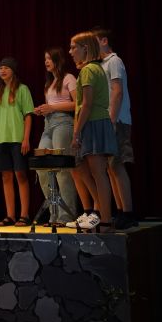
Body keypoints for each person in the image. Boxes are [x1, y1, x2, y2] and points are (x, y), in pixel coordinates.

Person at [68, 32, 118, 232]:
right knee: (87, 170)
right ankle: (101, 214)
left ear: (85, 48)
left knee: (99, 174)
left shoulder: (88, 70)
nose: (71, 52)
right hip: (96, 122)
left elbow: (86, 105)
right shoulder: (95, 69)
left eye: (74, 47)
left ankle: (105, 219)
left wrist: (76, 132)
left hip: (94, 123)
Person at [93, 27, 137, 230]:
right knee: (110, 168)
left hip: (117, 120)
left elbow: (117, 91)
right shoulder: (100, 65)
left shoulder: (114, 61)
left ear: (104, 41)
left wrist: (111, 120)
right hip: (107, 121)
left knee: (117, 166)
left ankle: (128, 212)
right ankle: (120, 210)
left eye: (94, 41)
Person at [33, 48, 79, 225]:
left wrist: (52, 108)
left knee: (62, 169)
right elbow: (52, 105)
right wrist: (43, 109)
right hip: (49, 123)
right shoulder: (50, 83)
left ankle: (66, 215)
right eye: (45, 59)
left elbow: (77, 104)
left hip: (63, 123)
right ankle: (53, 212)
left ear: (58, 60)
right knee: (42, 167)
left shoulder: (69, 78)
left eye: (49, 58)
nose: (46, 62)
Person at [0, 58, 34, 227]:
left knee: (20, 175)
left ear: (13, 70)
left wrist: (26, 138)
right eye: (0, 68)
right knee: (6, 177)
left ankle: (24, 214)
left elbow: (28, 115)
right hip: (1, 139)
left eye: (6, 67)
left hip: (17, 138)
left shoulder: (22, 89)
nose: (2, 71)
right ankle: (10, 215)